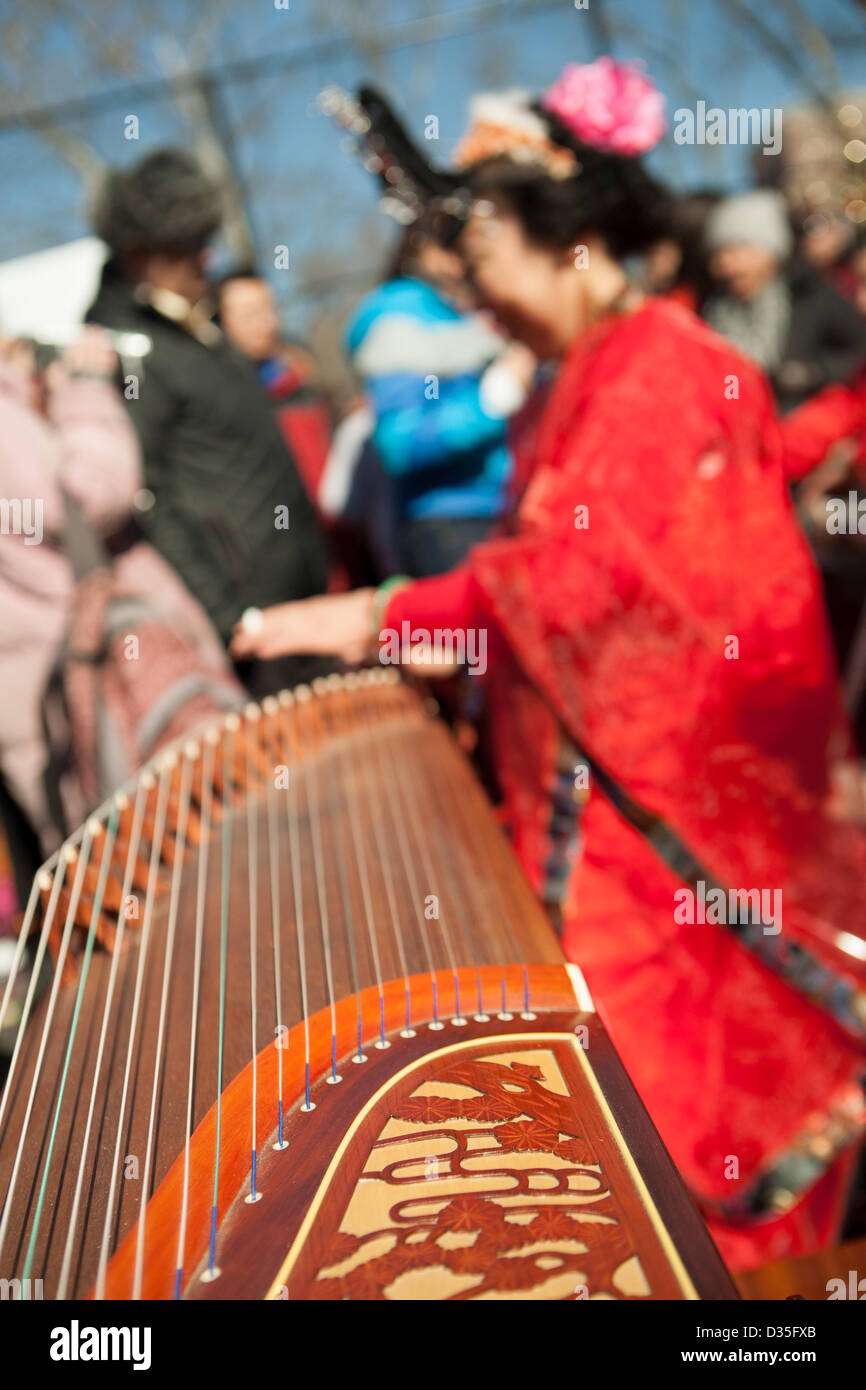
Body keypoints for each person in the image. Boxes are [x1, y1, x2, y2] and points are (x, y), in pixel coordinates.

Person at [232, 59, 866, 1272]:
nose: (476, 297)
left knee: (679, 1088)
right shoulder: (575, 375)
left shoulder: (663, 368)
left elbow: (565, 585)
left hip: (664, 787)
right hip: (597, 766)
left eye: (486, 265)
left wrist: (372, 613)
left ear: (569, 243)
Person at [86, 149, 330, 698]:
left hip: (300, 597)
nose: (206, 257)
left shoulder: (197, 324)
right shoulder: (127, 349)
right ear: (138, 252)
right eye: (187, 246)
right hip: (249, 630)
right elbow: (146, 495)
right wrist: (231, 616)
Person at [346, 222, 536, 577]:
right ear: (426, 251)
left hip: (505, 507)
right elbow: (401, 444)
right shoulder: (400, 317)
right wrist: (491, 403)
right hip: (451, 522)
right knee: (471, 636)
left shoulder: (469, 311)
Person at [704, 189, 866, 413]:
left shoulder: (809, 294)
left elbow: (858, 349)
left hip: (803, 427)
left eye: (740, 249)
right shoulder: (714, 309)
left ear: (772, 252)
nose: (728, 264)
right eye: (720, 253)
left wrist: (815, 372)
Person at [215, 268, 333, 511]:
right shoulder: (221, 400)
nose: (268, 322)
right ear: (220, 322)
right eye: (250, 314)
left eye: (270, 309)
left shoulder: (303, 378)